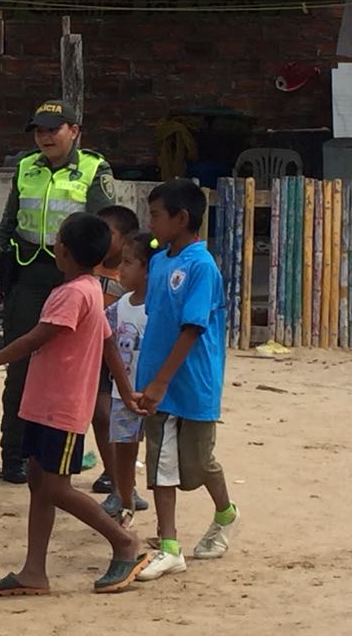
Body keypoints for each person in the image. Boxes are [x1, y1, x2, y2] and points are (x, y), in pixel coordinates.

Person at [0, 213, 150, 596]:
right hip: (46, 403)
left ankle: (123, 541)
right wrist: (127, 390)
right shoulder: (91, 288)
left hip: (60, 407)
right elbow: (108, 340)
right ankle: (34, 571)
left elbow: (35, 338)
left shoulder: (73, 293)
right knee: (38, 480)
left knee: (56, 487)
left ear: (61, 250)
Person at [0, 99, 116, 484]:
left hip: (76, 278)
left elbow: (104, 232)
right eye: (39, 130)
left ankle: (105, 465)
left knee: (85, 372)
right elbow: (8, 224)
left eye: (53, 129)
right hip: (28, 276)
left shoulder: (93, 168)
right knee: (20, 367)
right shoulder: (25, 167)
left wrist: (100, 283)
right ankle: (14, 456)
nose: (44, 137)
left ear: (74, 131)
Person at [135, 181, 240, 582]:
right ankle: (169, 545)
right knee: (162, 465)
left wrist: (161, 381)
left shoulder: (201, 266)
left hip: (191, 383)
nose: (152, 221)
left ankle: (226, 513)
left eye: (157, 215)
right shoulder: (160, 260)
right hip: (157, 382)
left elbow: (191, 329)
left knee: (198, 465)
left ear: (181, 219)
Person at [103, 230, 157, 529]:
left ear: (148, 270)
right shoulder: (117, 307)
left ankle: (164, 516)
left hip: (154, 394)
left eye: (128, 263)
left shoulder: (160, 309)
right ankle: (126, 501)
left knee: (159, 456)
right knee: (124, 452)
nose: (120, 269)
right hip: (122, 395)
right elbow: (105, 342)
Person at [89, 204, 139, 500]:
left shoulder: (133, 274)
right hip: (95, 350)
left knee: (120, 416)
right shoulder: (90, 265)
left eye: (108, 233)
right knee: (100, 413)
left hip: (125, 354)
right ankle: (112, 474)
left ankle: (123, 481)